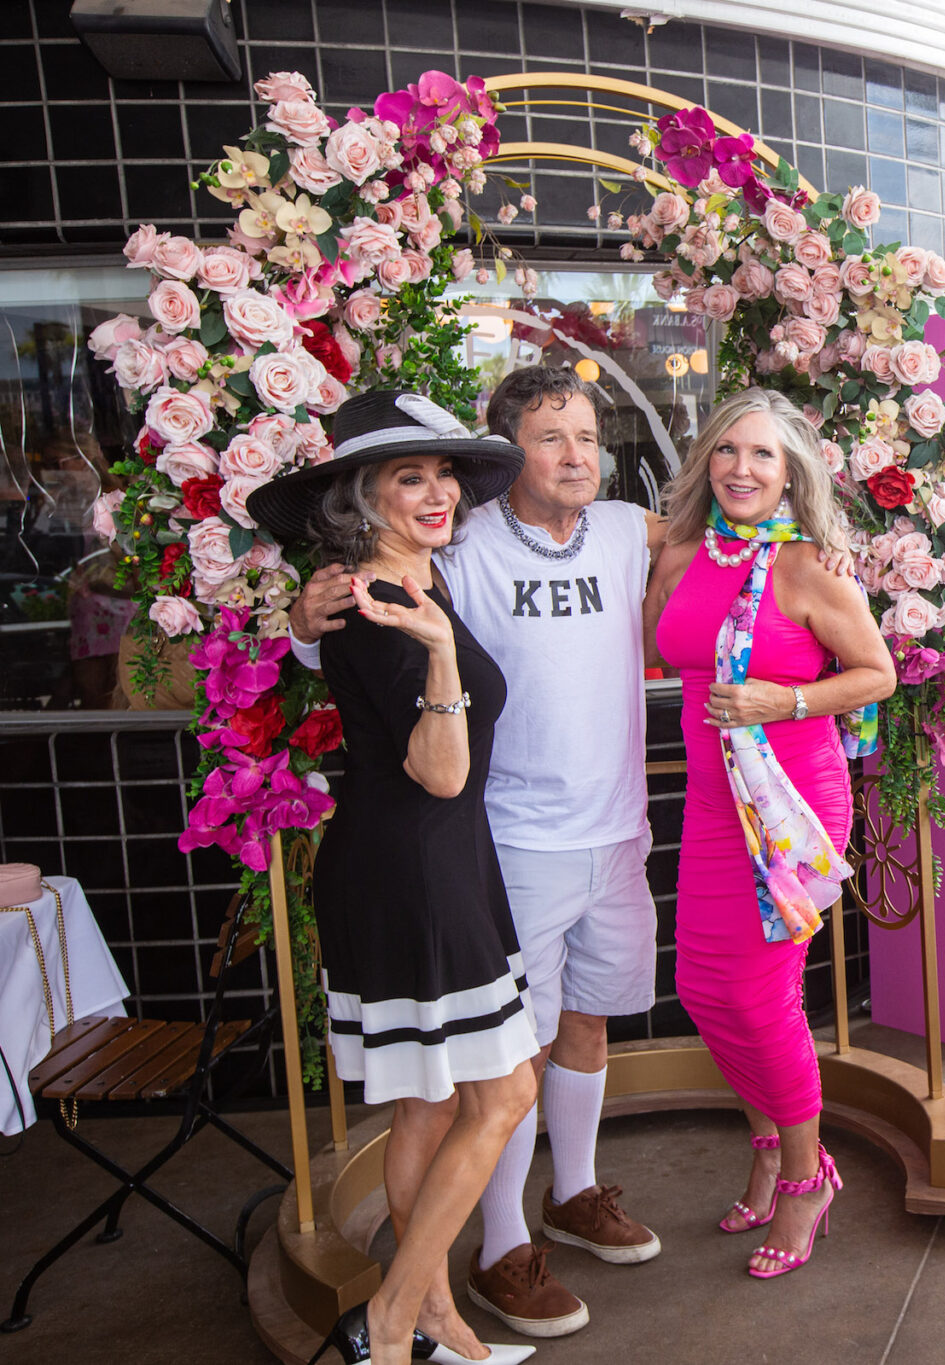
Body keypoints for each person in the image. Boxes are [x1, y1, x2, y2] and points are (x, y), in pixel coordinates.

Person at [290, 366, 663, 1339]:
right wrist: (296, 627)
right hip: (489, 844)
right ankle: (493, 1257)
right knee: (503, 1075)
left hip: (602, 832)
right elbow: (355, 629)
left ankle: (555, 1207)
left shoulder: (625, 531)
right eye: (551, 436)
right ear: (509, 453)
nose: (576, 455)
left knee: (569, 1035)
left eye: (588, 435)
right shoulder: (456, 549)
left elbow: (733, 547)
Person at [253, 391, 538, 1365]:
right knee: (502, 1096)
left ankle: (432, 1316)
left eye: (444, 472)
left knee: (427, 1104)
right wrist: (445, 653)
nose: (439, 491)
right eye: (409, 477)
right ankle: (389, 1316)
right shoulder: (382, 601)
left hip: (432, 862)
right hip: (414, 871)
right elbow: (442, 770)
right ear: (361, 500)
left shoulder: (408, 581)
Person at [645, 387, 893, 1279]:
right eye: (728, 451)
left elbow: (879, 675)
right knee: (703, 990)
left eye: (763, 456)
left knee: (760, 997)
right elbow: (652, 644)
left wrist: (779, 698)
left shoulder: (807, 567)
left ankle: (804, 1176)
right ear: (706, 461)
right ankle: (765, 1137)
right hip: (716, 806)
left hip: (792, 808)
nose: (742, 469)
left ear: (791, 475)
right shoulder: (678, 553)